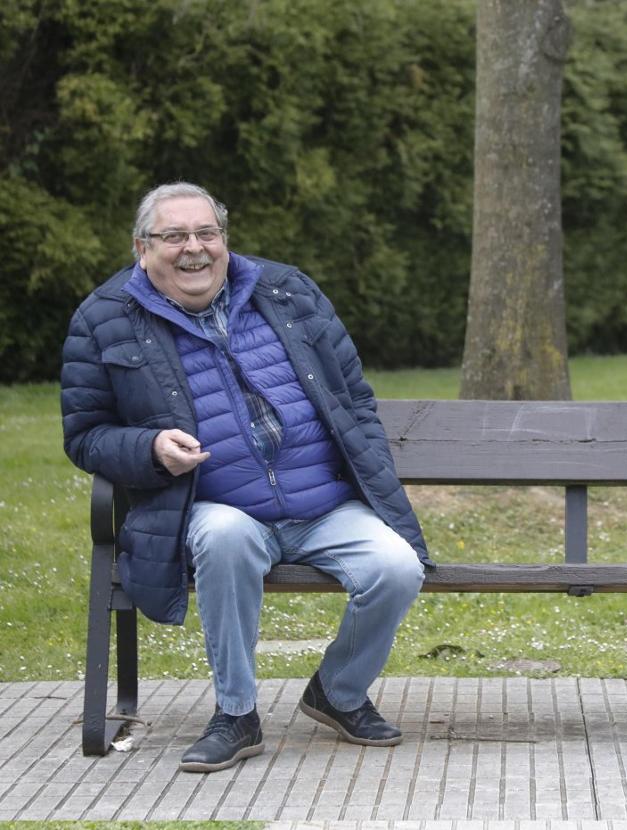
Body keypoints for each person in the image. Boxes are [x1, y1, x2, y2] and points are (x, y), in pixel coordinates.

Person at [61, 182, 431, 774]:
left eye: (207, 234)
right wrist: (151, 448)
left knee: (397, 567)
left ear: (224, 240)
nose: (194, 249)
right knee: (226, 540)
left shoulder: (287, 291)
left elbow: (354, 396)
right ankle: (236, 714)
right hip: (214, 504)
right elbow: (85, 435)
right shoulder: (104, 319)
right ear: (141, 247)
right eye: (174, 236)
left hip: (324, 503)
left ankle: (337, 692)